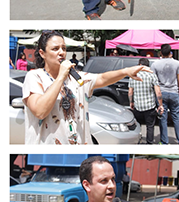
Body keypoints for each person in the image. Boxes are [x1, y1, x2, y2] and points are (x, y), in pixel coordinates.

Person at [22, 31, 151, 145]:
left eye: (64, 48)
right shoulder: (34, 77)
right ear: (42, 53)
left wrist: (126, 71)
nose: (61, 53)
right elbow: (40, 111)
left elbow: (102, 78)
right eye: (55, 49)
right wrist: (61, 76)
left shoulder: (76, 76)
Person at [151, 44, 179, 144]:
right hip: (174, 92)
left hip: (161, 93)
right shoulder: (177, 63)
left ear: (161, 53)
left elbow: (153, 81)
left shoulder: (155, 65)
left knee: (163, 118)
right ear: (171, 52)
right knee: (176, 118)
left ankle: (164, 142)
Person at [128, 57, 163, 145]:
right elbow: (158, 92)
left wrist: (131, 102)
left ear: (139, 65)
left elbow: (130, 92)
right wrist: (160, 105)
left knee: (138, 125)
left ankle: (138, 141)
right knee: (150, 126)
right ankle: (149, 143)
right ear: (148, 66)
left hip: (138, 105)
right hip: (149, 106)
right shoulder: (152, 75)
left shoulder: (133, 76)